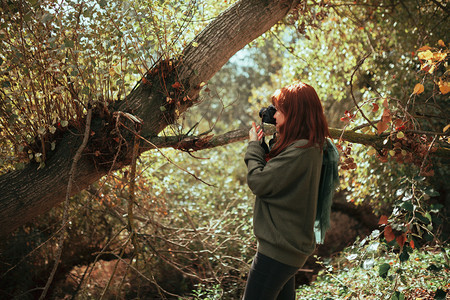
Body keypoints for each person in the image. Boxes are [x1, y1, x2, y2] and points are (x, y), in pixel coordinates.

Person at [243, 81, 335, 300]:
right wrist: (267, 143)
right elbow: (278, 173)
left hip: (278, 251)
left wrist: (254, 146)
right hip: (287, 248)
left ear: (295, 113)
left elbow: (259, 181)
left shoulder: (300, 150)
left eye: (280, 110)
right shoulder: (308, 145)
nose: (274, 116)